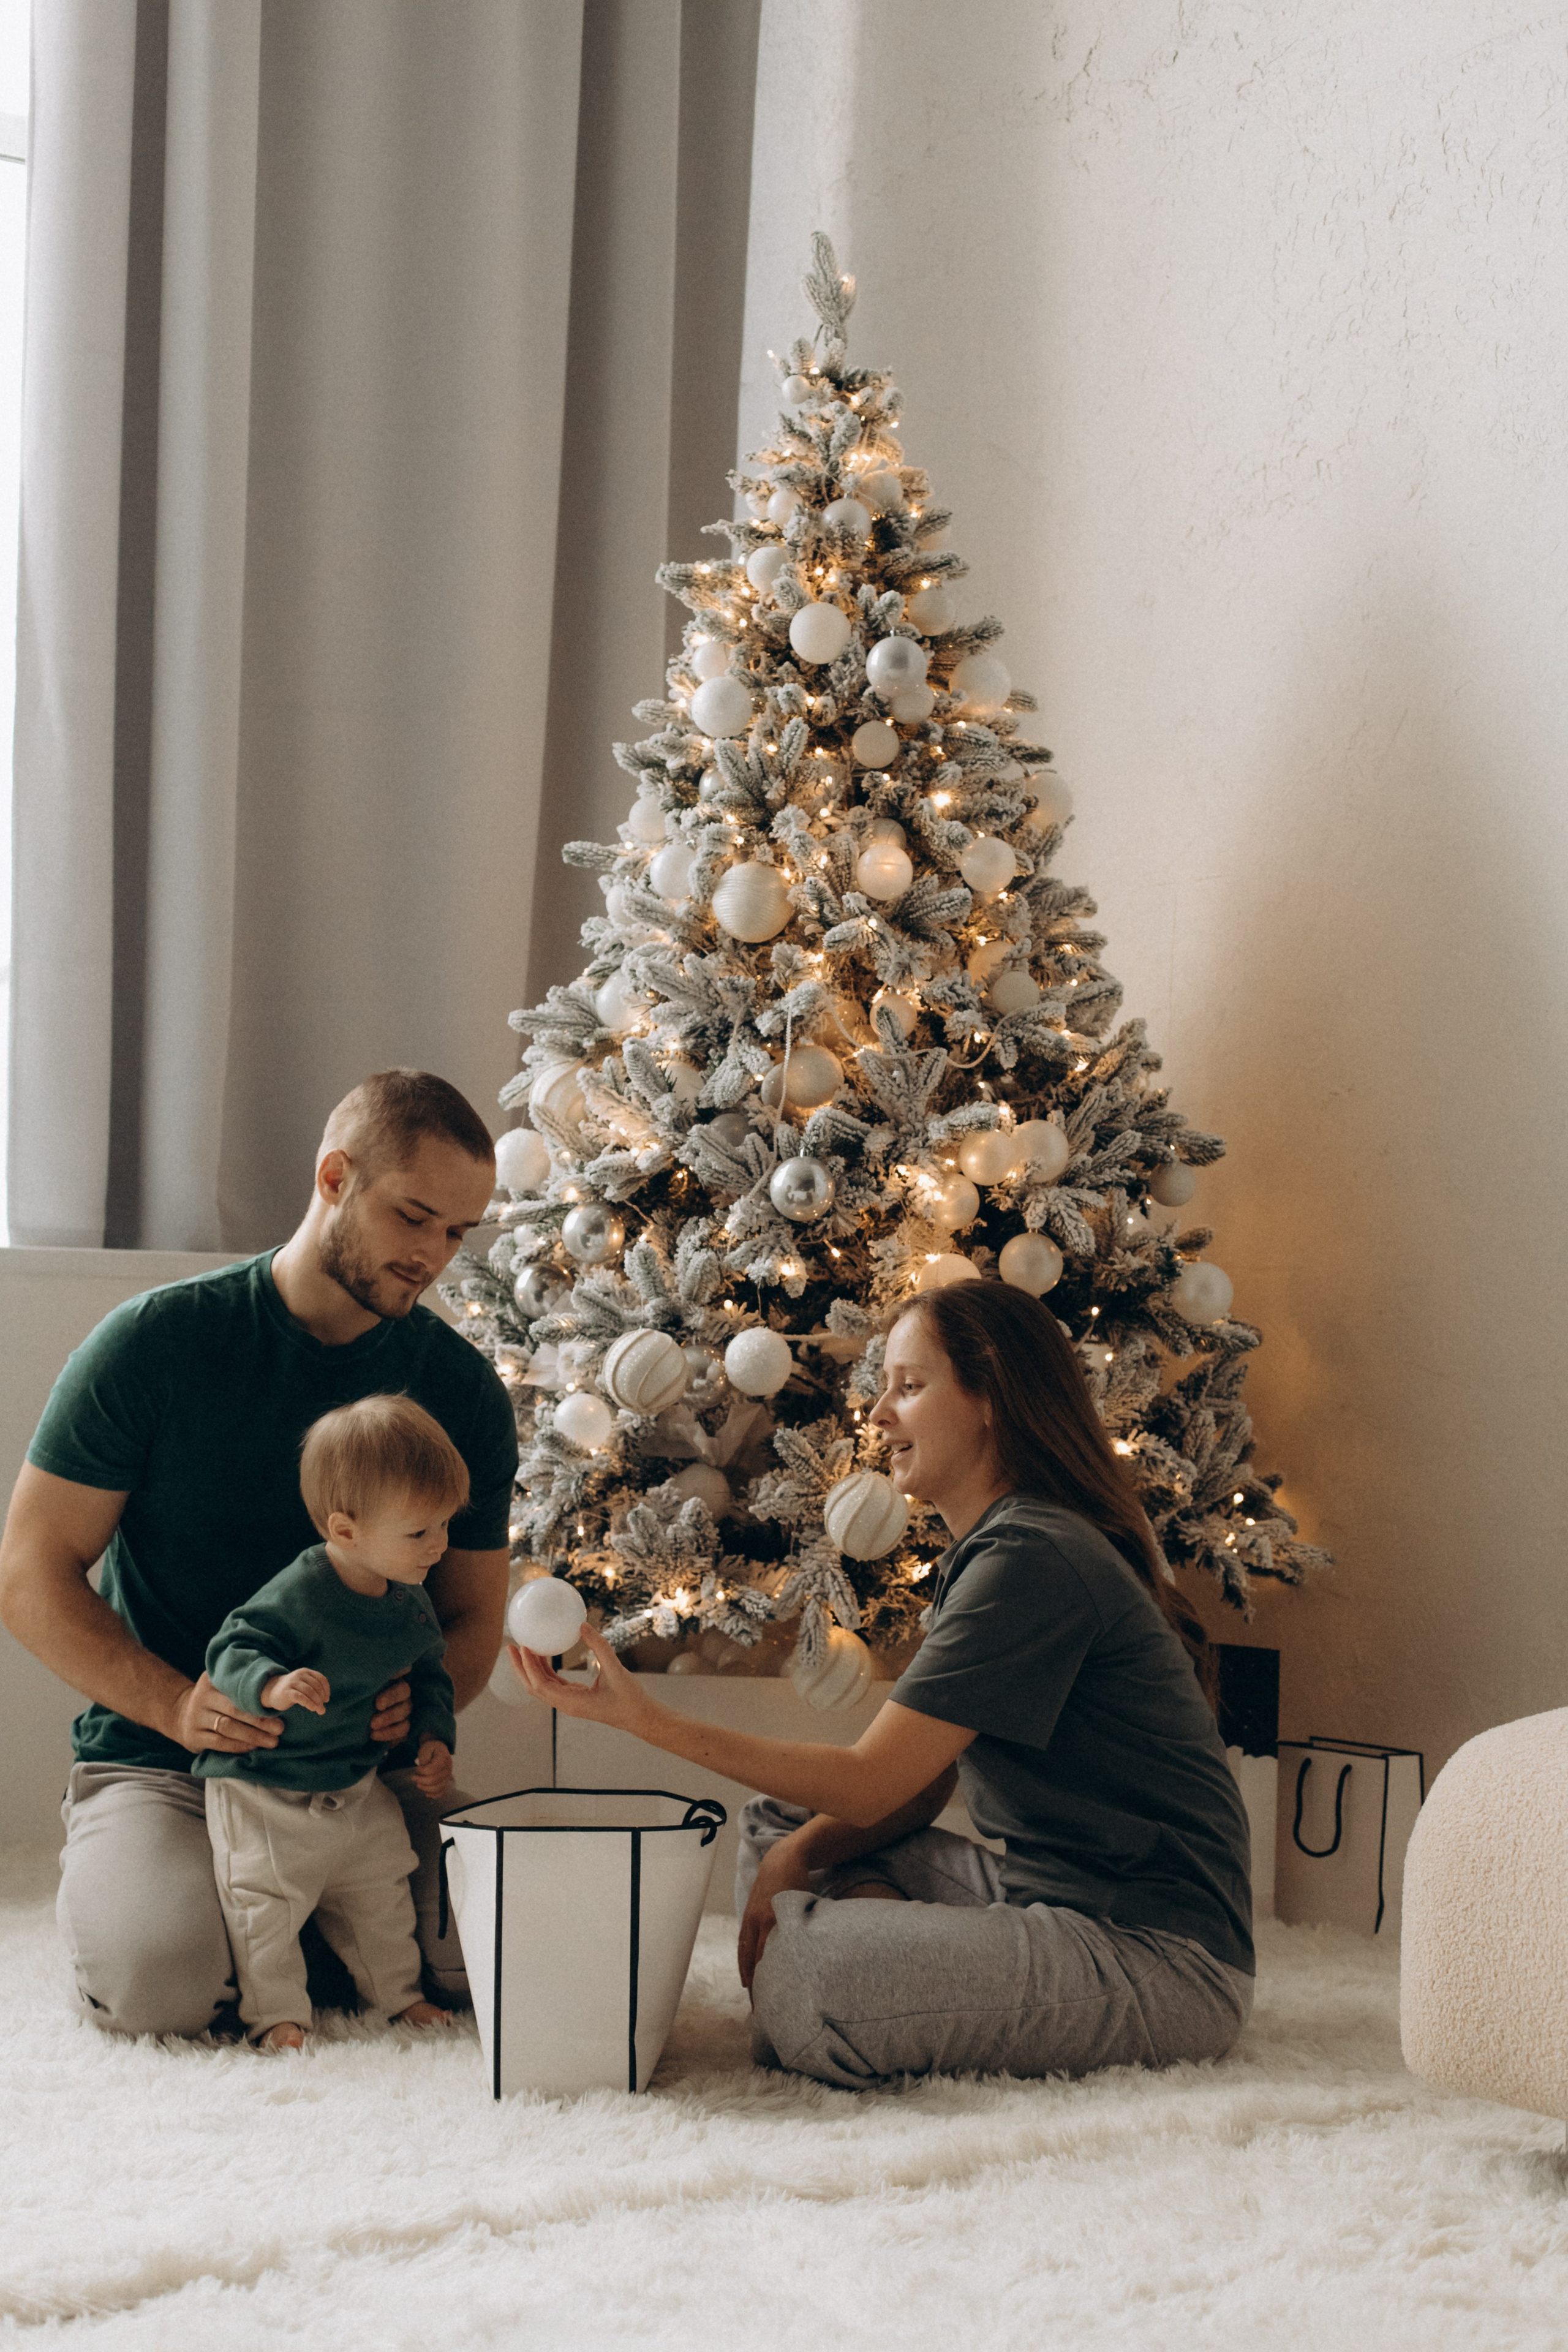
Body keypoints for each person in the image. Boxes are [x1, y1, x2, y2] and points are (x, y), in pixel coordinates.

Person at [511, 1281, 1254, 2090]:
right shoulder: (999, 1547)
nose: (877, 1415)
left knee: (809, 1981)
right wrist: (796, 1852)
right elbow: (924, 1780)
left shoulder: (1031, 1558)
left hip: (1162, 1956)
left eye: (910, 1386)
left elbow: (871, 1784)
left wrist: (645, 1719)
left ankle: (867, 1966)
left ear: (990, 1400)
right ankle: (897, 1959)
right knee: (783, 1825)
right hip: (1048, 1896)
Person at [0, 1069, 517, 2038]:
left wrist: (429, 1694)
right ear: (335, 1178)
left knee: (500, 1955)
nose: (435, 1257)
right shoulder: (156, 1344)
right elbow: (28, 1575)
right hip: (165, 1765)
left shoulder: (462, 1392)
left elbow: (475, 1613)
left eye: (458, 1233)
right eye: (415, 1218)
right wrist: (177, 1706)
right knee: (161, 1985)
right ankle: (192, 1914)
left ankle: (286, 1924)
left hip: (358, 1773)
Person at [197, 1395, 466, 2051]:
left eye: (444, 1525)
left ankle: (398, 1996)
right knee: (264, 1907)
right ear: (345, 1531)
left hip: (352, 1782)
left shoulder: (409, 1600)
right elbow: (231, 1649)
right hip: (263, 1789)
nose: (439, 1546)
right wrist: (271, 1684)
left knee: (381, 1890)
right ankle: (277, 2016)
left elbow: (430, 1673)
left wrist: (434, 1736)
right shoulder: (302, 1593)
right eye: (419, 1532)